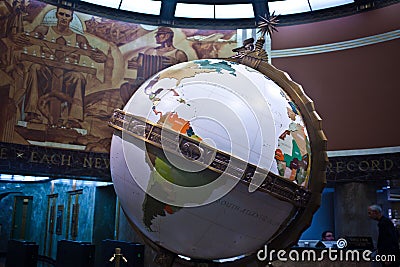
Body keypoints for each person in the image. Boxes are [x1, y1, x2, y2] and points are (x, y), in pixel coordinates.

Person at [19, 6, 108, 127]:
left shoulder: (78, 38)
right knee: (35, 67)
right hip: (47, 73)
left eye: (67, 16)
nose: (64, 18)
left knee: (78, 77)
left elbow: (92, 52)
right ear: (56, 15)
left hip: (67, 77)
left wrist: (101, 56)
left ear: (71, 18)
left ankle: (74, 119)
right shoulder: (44, 30)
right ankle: (32, 113)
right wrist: (20, 38)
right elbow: (30, 37)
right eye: (61, 14)